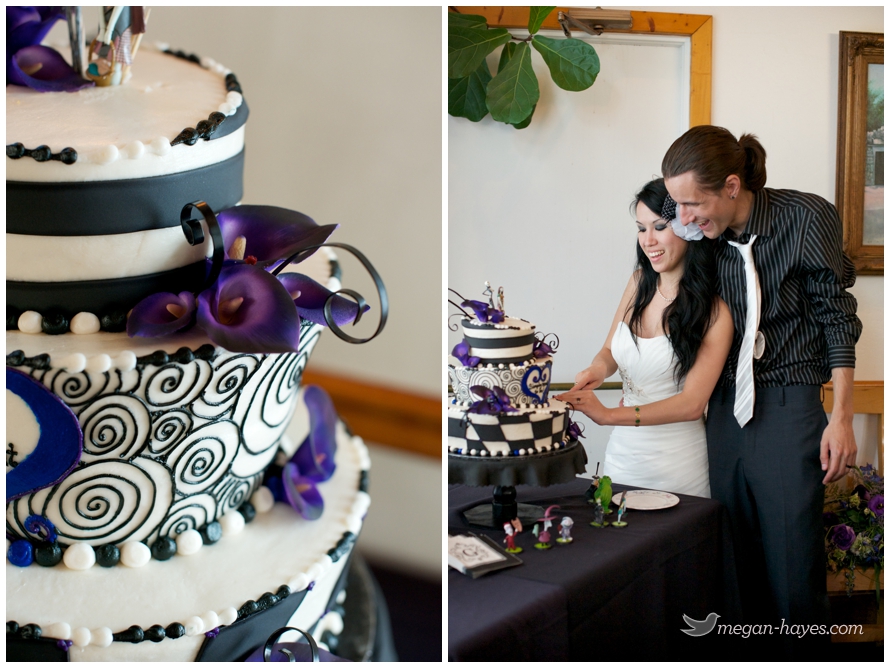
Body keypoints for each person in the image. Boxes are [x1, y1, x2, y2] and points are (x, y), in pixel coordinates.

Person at [661, 125, 862, 656]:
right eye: (677, 205)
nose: (684, 217)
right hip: (724, 405)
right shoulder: (698, 235)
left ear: (732, 186)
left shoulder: (805, 216)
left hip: (789, 401)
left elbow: (837, 317)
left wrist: (841, 417)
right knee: (735, 560)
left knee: (792, 563)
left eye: (693, 203)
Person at [556, 178, 733, 498]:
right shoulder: (638, 283)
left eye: (660, 226)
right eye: (641, 228)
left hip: (678, 464)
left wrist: (609, 415)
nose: (648, 240)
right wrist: (597, 369)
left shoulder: (714, 312)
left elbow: (692, 405)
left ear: (688, 226)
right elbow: (609, 350)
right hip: (622, 456)